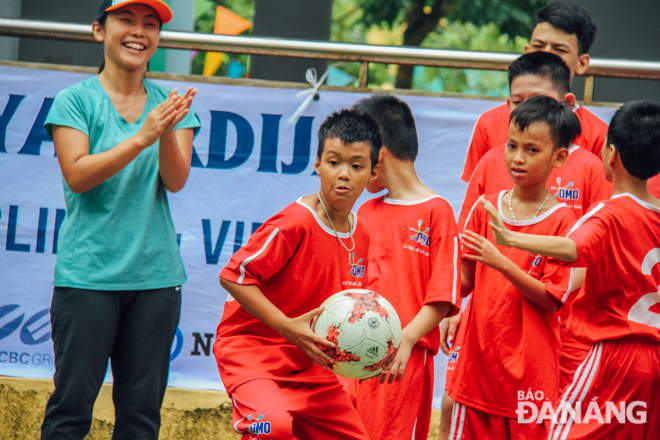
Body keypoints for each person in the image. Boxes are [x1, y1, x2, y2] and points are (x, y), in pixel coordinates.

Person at [40, 1, 200, 439]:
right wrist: (142, 136)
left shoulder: (172, 104)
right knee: (71, 410)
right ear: (99, 31)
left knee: (141, 416)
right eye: (126, 20)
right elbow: (78, 175)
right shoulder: (75, 100)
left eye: (150, 25)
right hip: (87, 278)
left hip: (156, 281)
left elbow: (176, 178)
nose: (139, 32)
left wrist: (164, 131)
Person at [481, 100, 660, 439]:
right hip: (655, 357)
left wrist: (512, 241)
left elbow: (572, 247)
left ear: (611, 154)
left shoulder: (609, 212)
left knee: (559, 433)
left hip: (614, 352)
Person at [212, 109, 381, 440]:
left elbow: (343, 314)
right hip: (253, 354)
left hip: (308, 367)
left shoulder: (362, 235)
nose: (343, 174)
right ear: (317, 164)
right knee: (270, 427)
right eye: (334, 162)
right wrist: (287, 327)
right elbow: (232, 277)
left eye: (356, 166)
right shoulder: (296, 222)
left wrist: (374, 351)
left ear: (373, 173)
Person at [448, 96, 580, 439]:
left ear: (560, 157)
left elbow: (552, 300)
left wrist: (501, 262)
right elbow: (462, 280)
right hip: (477, 372)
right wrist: (443, 306)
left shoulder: (564, 221)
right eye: (511, 146)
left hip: (531, 380)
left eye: (532, 150)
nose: (517, 158)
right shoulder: (485, 207)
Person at [349, 95, 460, 440]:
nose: (352, 172)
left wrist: (407, 339)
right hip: (352, 358)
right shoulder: (364, 213)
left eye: (357, 162)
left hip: (402, 364)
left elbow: (442, 296)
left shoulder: (437, 211)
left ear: (376, 155)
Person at [461, 2, 608, 182]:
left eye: (559, 50)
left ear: (582, 63)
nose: (546, 55)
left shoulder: (601, 137)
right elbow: (474, 200)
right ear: (526, 51)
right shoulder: (488, 124)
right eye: (538, 46)